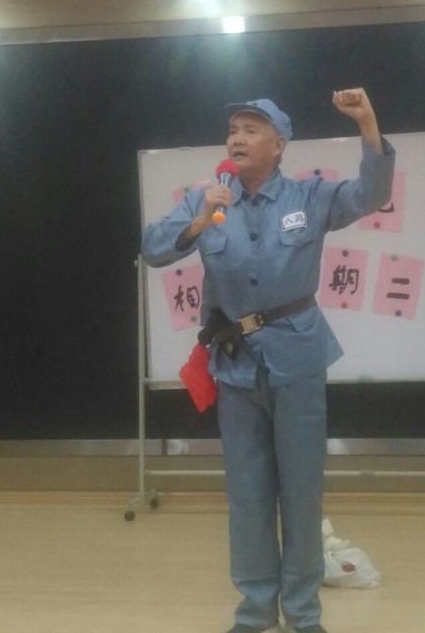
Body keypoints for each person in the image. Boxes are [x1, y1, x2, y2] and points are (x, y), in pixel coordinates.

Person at [141, 89, 395, 633]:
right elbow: (153, 247)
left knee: (301, 492)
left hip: (297, 358)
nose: (237, 138)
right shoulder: (208, 199)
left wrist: (368, 125)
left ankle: (303, 614)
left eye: (251, 130)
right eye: (233, 129)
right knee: (248, 493)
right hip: (235, 366)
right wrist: (199, 222)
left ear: (278, 146)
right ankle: (255, 612)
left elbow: (372, 193)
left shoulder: (310, 196)